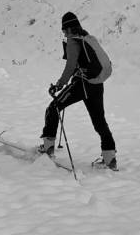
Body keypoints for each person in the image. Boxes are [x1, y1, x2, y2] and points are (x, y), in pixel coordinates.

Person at [39, 11, 117, 170]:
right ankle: (110, 159)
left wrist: (59, 85)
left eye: (63, 30)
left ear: (68, 29)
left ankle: (47, 149)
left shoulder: (73, 42)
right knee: (99, 121)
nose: (63, 33)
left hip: (83, 84)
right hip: (97, 84)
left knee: (53, 108)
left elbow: (70, 66)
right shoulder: (88, 38)